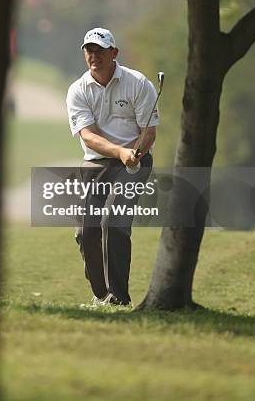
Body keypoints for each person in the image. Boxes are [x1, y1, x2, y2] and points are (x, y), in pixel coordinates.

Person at [66, 27, 160, 306]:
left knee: (115, 223)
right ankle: (101, 294)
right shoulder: (78, 90)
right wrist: (120, 152)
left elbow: (149, 131)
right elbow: (88, 135)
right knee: (86, 231)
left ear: (114, 53)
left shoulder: (138, 83)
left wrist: (135, 152)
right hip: (97, 161)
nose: (94, 55)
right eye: (89, 50)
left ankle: (118, 297)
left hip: (136, 161)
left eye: (100, 50)